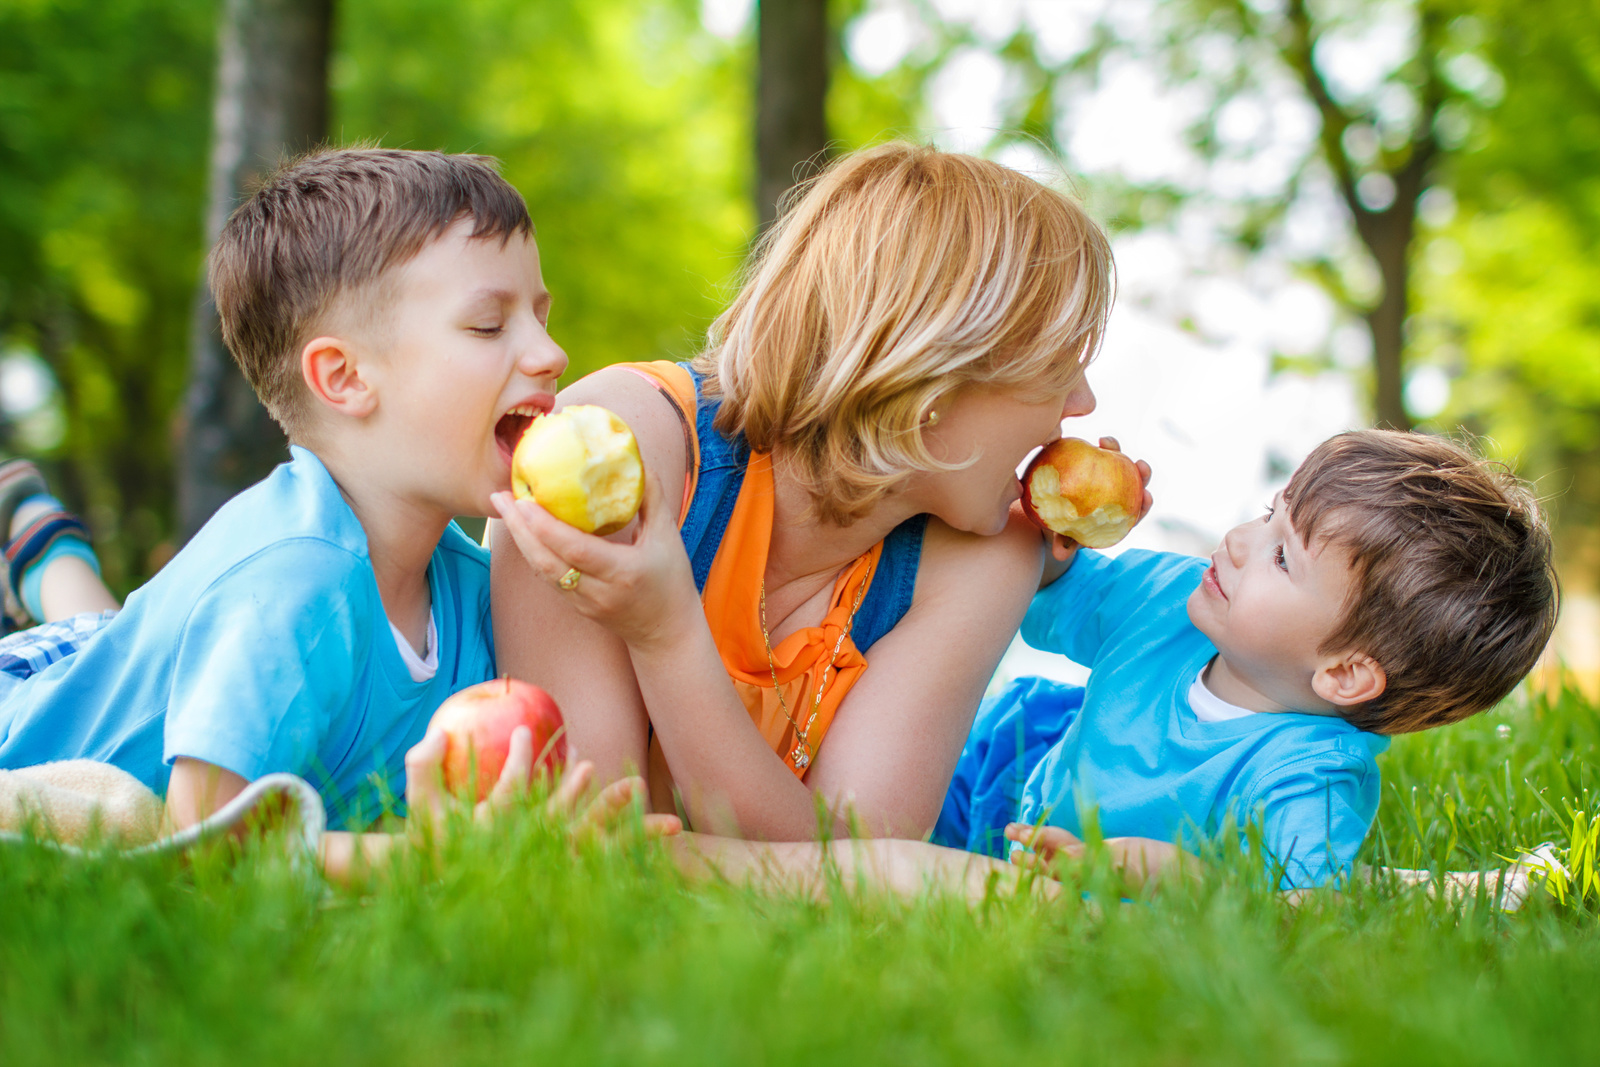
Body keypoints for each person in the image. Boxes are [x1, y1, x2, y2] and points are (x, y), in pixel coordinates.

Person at [0, 148, 671, 877]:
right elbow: (200, 845)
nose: (551, 355)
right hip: (32, 702)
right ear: (346, 377)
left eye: (541, 318)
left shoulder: (470, 588)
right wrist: (427, 859)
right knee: (90, 647)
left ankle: (39, 542)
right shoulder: (290, 588)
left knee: (109, 634)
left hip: (132, 648)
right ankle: (42, 546)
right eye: (488, 326)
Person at [490, 142, 1134, 841]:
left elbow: (854, 882)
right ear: (936, 380)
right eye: (1059, 366)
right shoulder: (610, 454)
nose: (1082, 402)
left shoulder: (988, 555)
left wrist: (667, 632)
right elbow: (595, 844)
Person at [672, 429, 1558, 897]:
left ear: (1345, 674)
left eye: (1283, 556)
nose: (1242, 539)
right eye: (1269, 512)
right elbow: (1056, 602)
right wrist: (1054, 540)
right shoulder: (1177, 604)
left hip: (1068, 863)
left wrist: (1149, 870)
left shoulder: (1308, 774)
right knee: (862, 832)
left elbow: (1290, 903)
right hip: (997, 785)